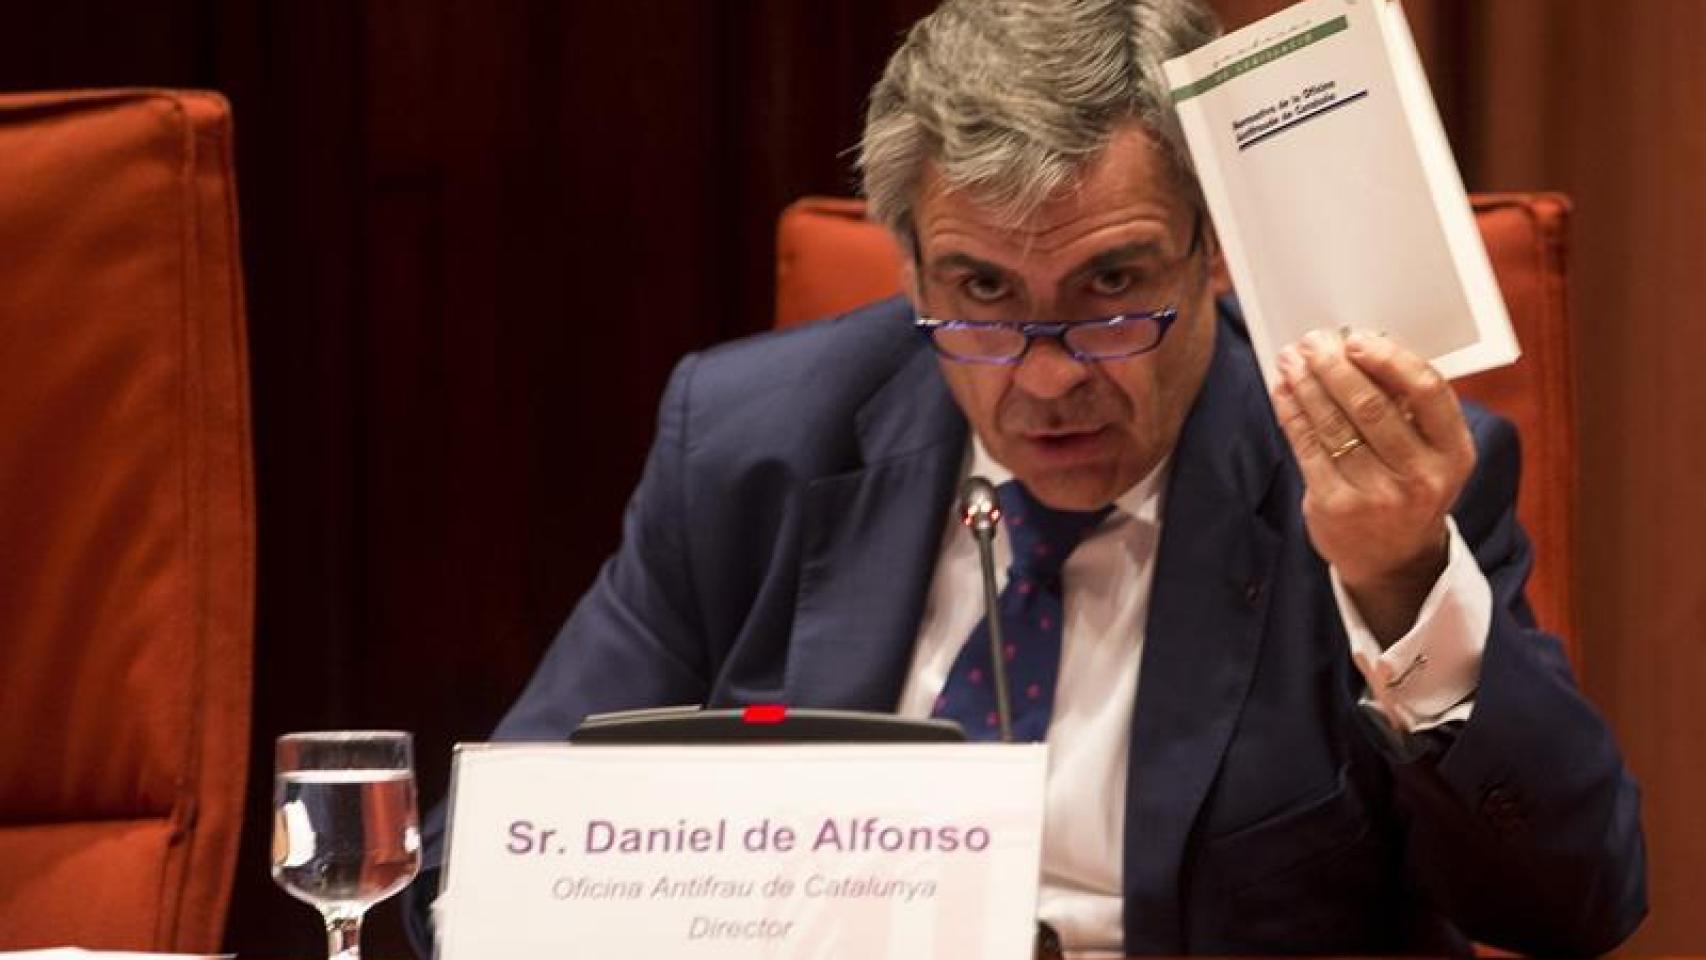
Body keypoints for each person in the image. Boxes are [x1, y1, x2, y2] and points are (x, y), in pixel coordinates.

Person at [410, 0, 1646, 955]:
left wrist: (1398, 583)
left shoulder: (1363, 484)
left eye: (1111, 286)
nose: (1046, 378)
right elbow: (485, 864)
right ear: (909, 269)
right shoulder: (749, 445)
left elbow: (1575, 902)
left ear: (1212, 253)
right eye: (982, 291)